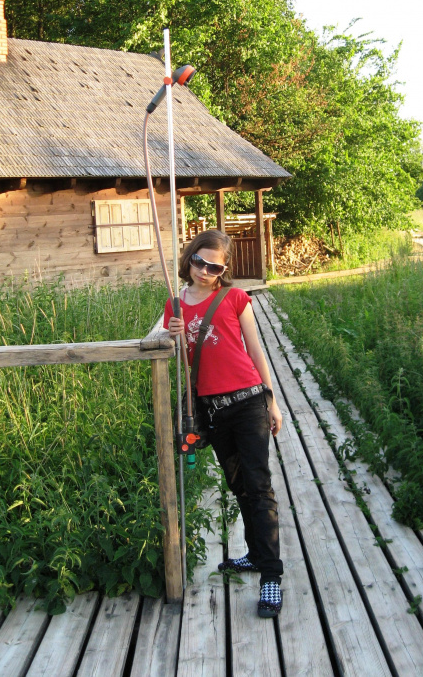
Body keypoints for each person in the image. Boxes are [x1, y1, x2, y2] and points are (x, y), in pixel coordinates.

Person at [163, 229, 284, 618]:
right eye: (199, 261)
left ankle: (271, 576)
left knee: (258, 484)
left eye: (214, 266)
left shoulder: (235, 298)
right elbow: (185, 368)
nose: (204, 271)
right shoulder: (175, 306)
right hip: (212, 410)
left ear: (224, 269)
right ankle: (254, 552)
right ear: (190, 257)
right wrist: (176, 337)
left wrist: (272, 399)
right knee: (238, 486)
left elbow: (255, 349)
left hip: (248, 402)